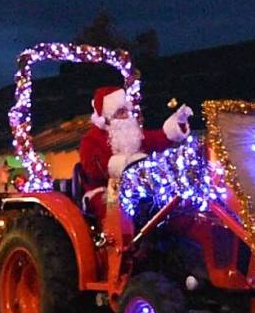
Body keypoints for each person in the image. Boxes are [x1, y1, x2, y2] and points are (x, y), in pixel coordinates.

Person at [79, 86, 192, 219]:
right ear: (107, 117)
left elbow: (156, 139)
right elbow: (93, 169)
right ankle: (118, 238)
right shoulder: (91, 139)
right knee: (115, 212)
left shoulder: (133, 133)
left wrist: (177, 126)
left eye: (126, 110)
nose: (126, 115)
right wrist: (122, 166)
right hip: (109, 186)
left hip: (139, 184)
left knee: (171, 200)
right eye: (121, 112)